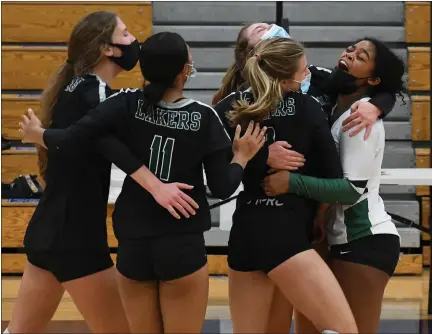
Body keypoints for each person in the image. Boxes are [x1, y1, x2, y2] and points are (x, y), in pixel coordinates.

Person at [19, 31, 266, 334]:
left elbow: (74, 137)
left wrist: (38, 135)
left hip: (133, 247)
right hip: (181, 244)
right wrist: (242, 157)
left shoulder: (123, 103)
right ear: (183, 72)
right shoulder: (204, 117)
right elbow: (224, 186)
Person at [4, 12, 201, 334]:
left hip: (48, 229)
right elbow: (112, 147)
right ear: (106, 49)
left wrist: (41, 136)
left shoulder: (73, 85)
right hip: (76, 238)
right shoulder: (96, 94)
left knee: (21, 330)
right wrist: (157, 187)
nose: (133, 41)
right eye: (125, 34)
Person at [213, 23, 399, 333]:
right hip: (291, 232)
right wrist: (274, 165)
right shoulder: (308, 105)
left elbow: (218, 178)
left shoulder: (228, 107)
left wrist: (376, 106)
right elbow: (336, 179)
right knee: (344, 329)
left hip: (246, 229)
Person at [262, 37, 404, 334]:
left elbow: (352, 189)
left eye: (361, 56)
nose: (349, 55)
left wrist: (291, 182)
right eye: (351, 49)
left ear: (372, 78)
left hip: (364, 241)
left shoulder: (360, 115)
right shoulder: (329, 91)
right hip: (335, 241)